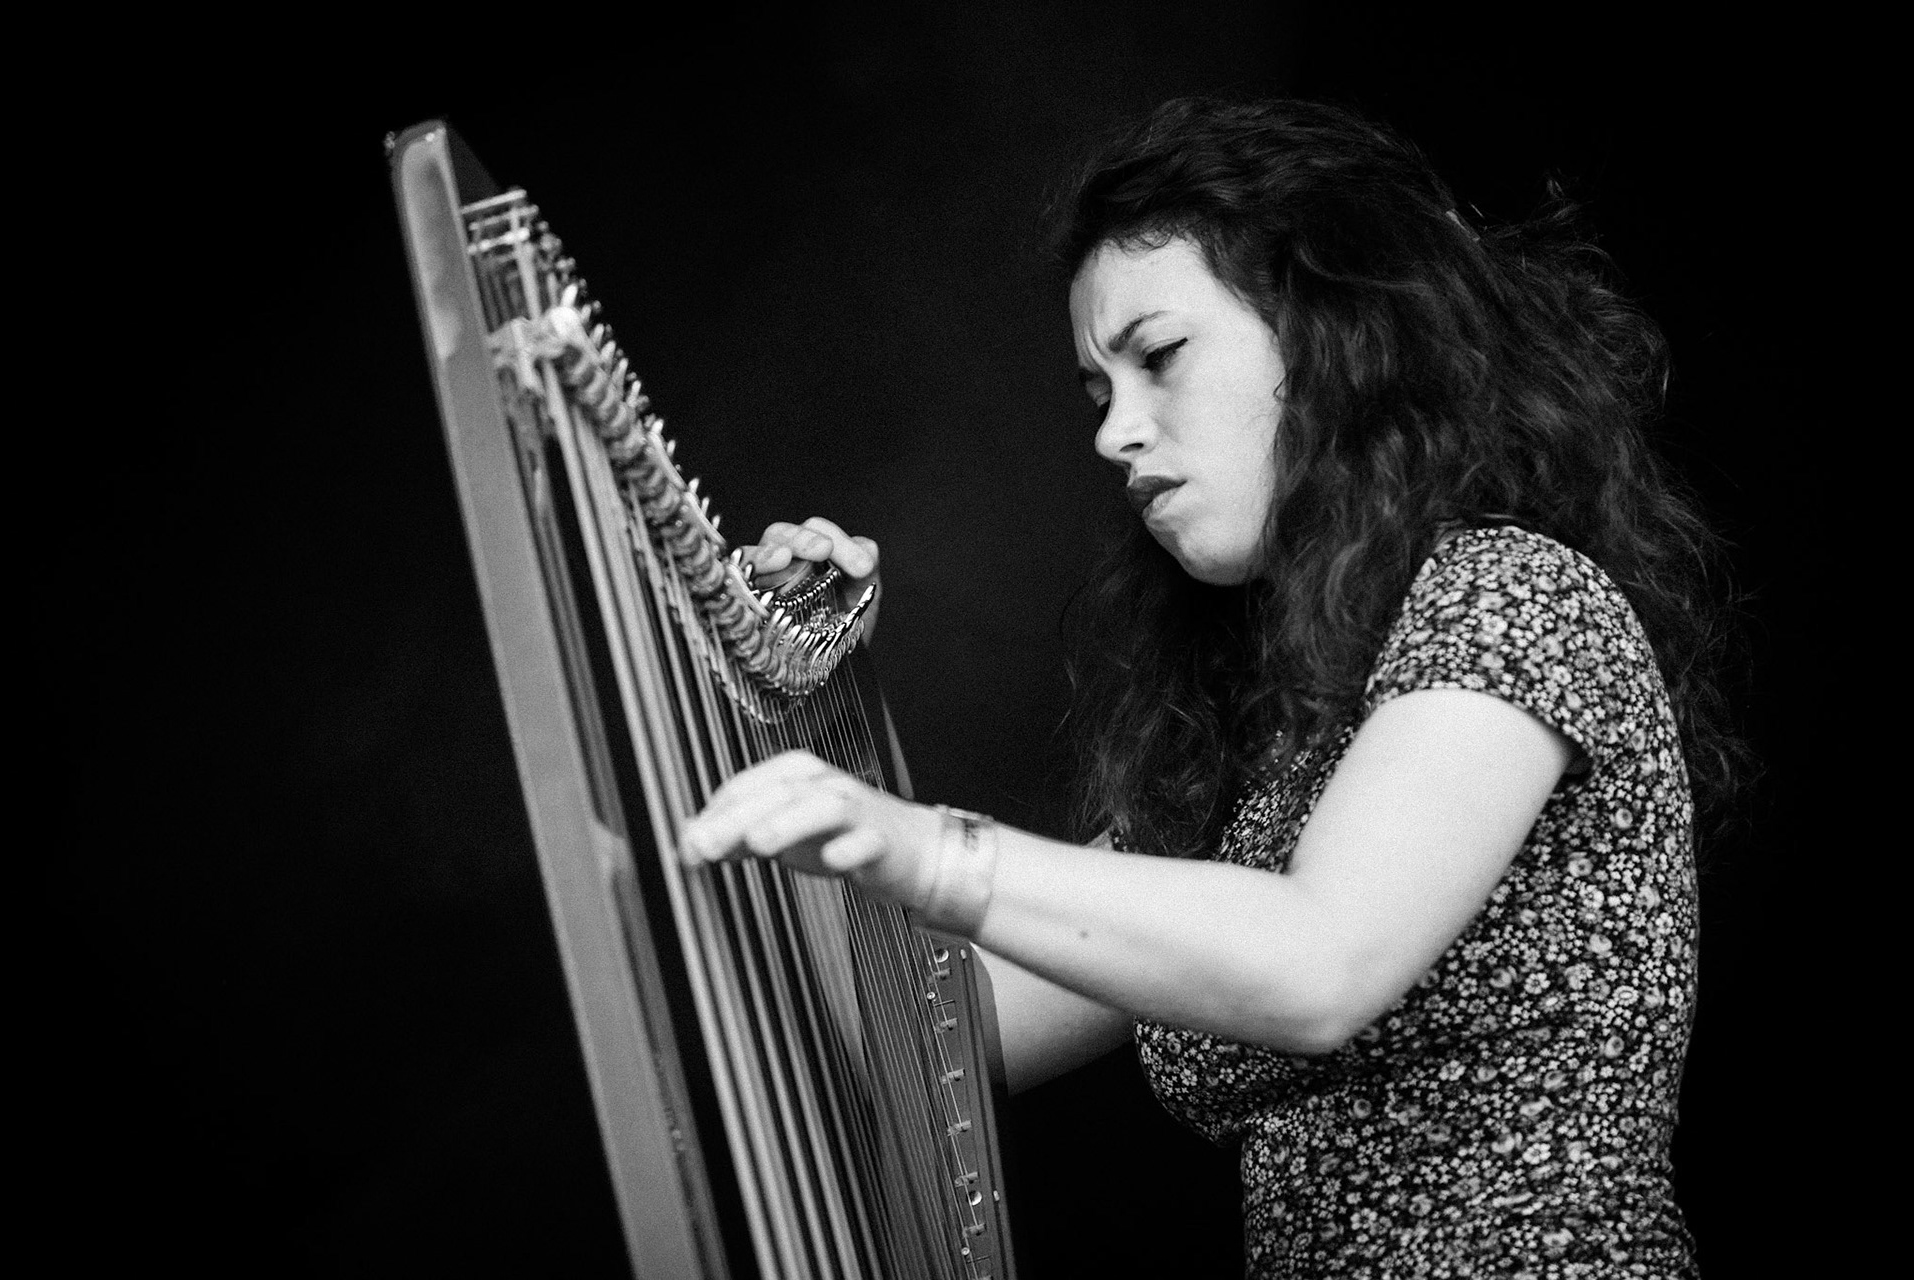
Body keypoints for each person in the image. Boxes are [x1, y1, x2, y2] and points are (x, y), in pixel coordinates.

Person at [681, 98, 1737, 1278]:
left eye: (1160, 358)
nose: (1115, 434)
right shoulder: (1268, 737)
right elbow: (925, 1044)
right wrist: (779, 696)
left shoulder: (1518, 597)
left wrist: (924, 845)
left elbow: (1316, 962)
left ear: (1336, 330)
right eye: (1097, 393)